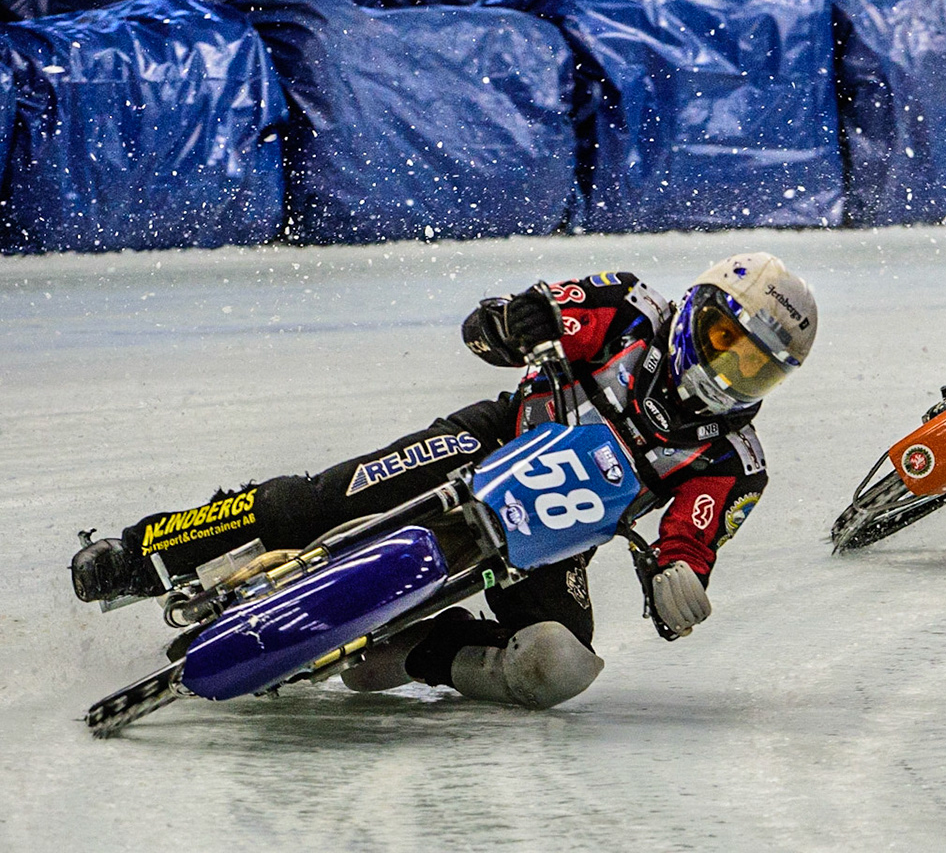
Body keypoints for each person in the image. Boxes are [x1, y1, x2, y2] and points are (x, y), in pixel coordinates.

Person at [69, 253, 817, 709]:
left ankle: (424, 651)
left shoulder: (736, 461)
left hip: (561, 540)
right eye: (727, 342)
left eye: (758, 366)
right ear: (702, 310)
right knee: (321, 501)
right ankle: (142, 551)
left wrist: (677, 579)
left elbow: (695, 538)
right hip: (491, 439)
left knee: (560, 664)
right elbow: (504, 322)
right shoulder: (628, 307)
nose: (730, 370)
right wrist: (511, 322)